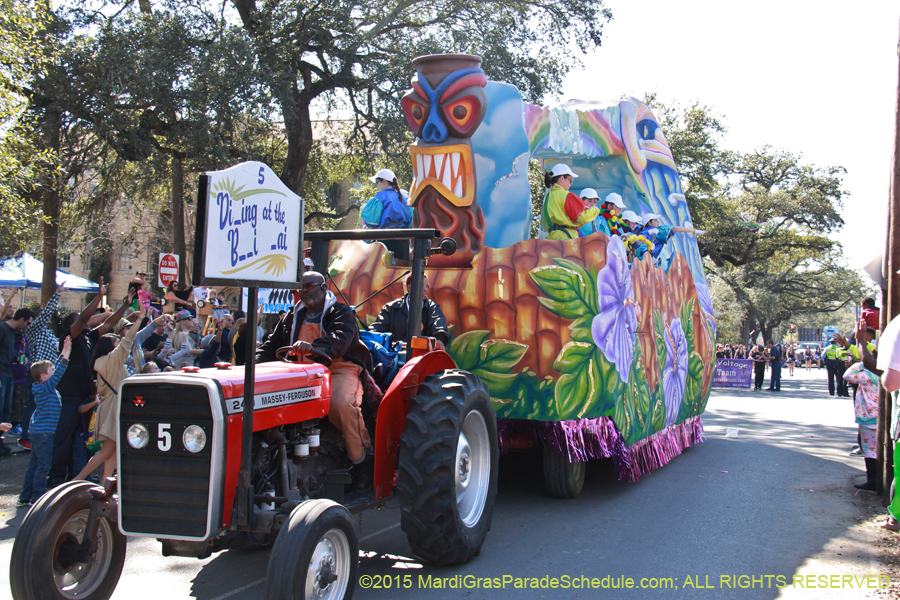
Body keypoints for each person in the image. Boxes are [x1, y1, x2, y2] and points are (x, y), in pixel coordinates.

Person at [257, 271, 372, 470]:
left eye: (310, 286)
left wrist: (317, 347)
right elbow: (272, 344)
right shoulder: (293, 316)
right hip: (299, 372)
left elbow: (341, 337)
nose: (305, 291)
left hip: (337, 368)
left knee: (341, 404)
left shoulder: (340, 312)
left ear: (323, 287)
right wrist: (256, 364)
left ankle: (361, 460)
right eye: (301, 287)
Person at [75, 301, 145, 482]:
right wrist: (140, 319)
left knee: (112, 449)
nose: (119, 343)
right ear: (111, 346)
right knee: (107, 450)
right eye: (116, 341)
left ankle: (105, 484)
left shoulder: (101, 361)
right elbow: (129, 339)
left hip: (110, 405)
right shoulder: (113, 360)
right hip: (114, 406)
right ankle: (78, 479)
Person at [17, 336, 71, 506]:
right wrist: (67, 354)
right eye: (51, 371)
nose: (54, 372)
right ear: (43, 376)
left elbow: (56, 367)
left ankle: (26, 495)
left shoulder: (42, 384)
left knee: (34, 463)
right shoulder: (47, 386)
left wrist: (63, 351)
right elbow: (60, 371)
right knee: (44, 465)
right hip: (44, 433)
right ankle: (37, 495)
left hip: (38, 431)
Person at [369, 274, 449, 349]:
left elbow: (439, 325)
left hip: (421, 358)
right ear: (409, 287)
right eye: (421, 286)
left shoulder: (433, 308)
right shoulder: (391, 308)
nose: (426, 289)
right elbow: (377, 331)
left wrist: (439, 339)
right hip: (395, 357)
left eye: (427, 287)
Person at [0, 308, 34, 453]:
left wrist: (16, 359)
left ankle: (0, 440)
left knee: (6, 410)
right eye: (27, 322)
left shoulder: (14, 332)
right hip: (1, 374)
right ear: (21, 319)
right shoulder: (2, 328)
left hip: (9, 374)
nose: (27, 326)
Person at [361, 168, 413, 261]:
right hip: (404, 239)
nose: (376, 185)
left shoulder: (380, 197)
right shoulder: (404, 198)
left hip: (386, 239)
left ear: (384, 181)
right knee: (401, 268)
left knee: (386, 270)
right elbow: (410, 220)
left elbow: (371, 221)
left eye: (377, 182)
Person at [539, 164, 600, 240]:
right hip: (566, 238)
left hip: (552, 237)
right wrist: (595, 210)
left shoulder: (549, 196)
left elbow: (544, 223)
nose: (571, 183)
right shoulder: (566, 196)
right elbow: (582, 217)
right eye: (570, 180)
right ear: (562, 179)